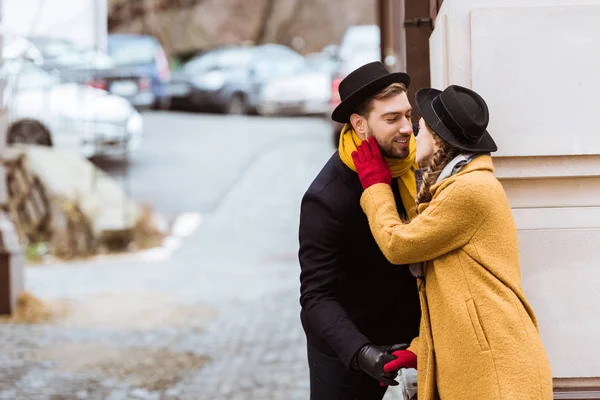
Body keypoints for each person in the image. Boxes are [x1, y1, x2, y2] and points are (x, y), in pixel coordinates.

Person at [352, 85, 553, 399]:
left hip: (499, 377)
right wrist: (419, 350)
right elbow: (454, 293)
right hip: (485, 370)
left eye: (419, 128)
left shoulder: (469, 190)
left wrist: (376, 186)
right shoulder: (454, 186)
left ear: (437, 139)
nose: (413, 133)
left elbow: (397, 245)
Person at [298, 61, 422, 399]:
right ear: (360, 125)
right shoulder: (326, 197)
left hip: (415, 335)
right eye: (391, 119)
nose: (407, 128)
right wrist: (361, 352)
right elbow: (316, 296)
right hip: (348, 347)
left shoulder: (419, 165)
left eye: (408, 115)